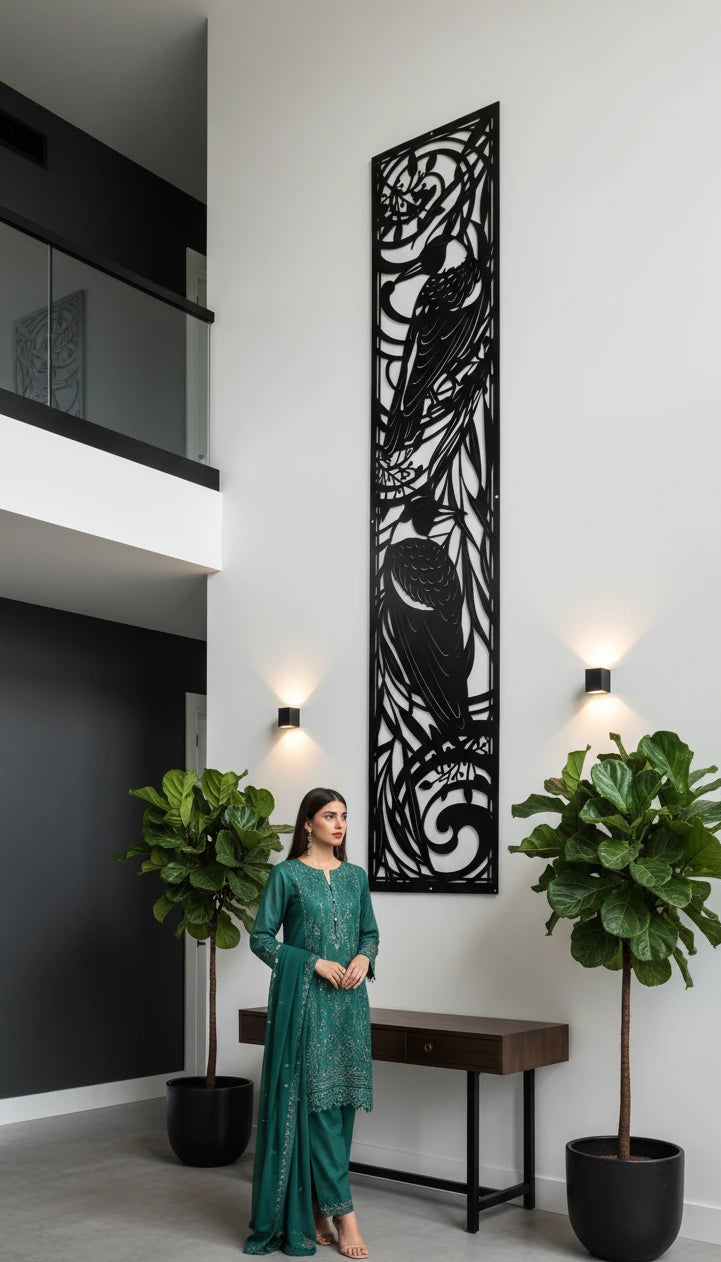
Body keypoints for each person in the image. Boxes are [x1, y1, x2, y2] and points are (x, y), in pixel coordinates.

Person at [244, 787, 379, 1259]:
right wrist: (312, 963)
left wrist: (364, 955)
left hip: (350, 1008)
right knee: (319, 1109)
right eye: (329, 816)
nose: (339, 825)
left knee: (342, 1109)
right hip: (308, 1008)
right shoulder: (287, 876)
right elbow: (261, 939)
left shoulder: (355, 877)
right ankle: (346, 1217)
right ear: (307, 823)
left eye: (343, 817)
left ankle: (320, 1207)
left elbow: (370, 931)